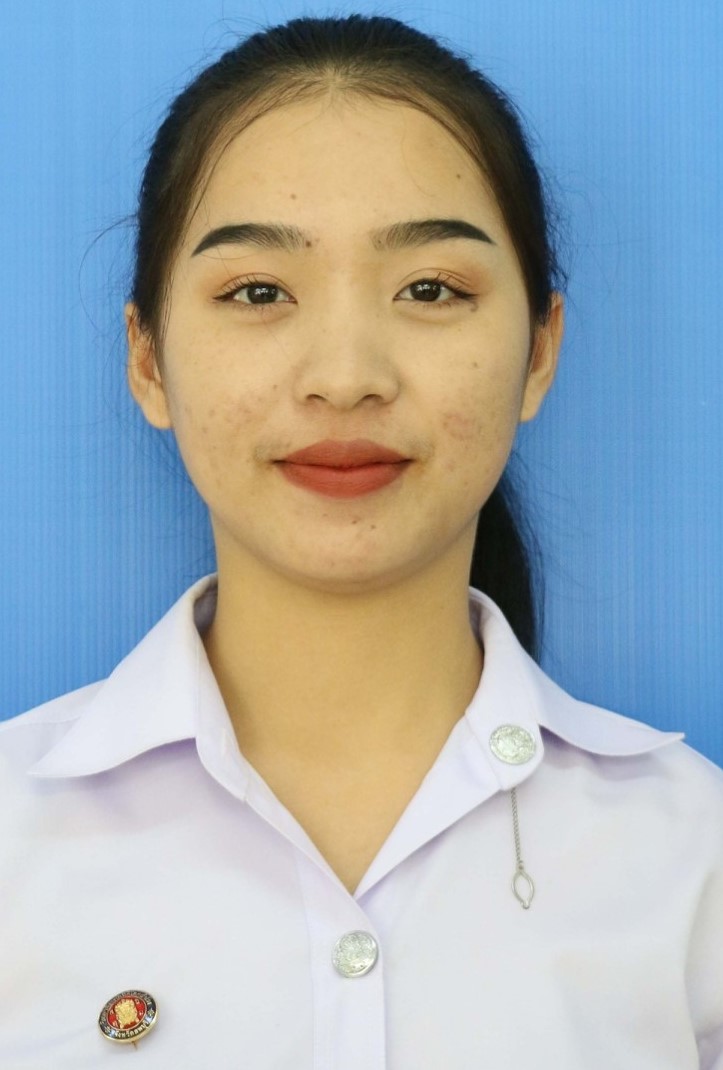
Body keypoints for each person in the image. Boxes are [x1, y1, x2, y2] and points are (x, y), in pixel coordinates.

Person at [1, 13, 721, 1068]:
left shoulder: (693, 861)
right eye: (258, 291)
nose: (345, 376)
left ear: (538, 352)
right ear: (148, 361)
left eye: (431, 289)